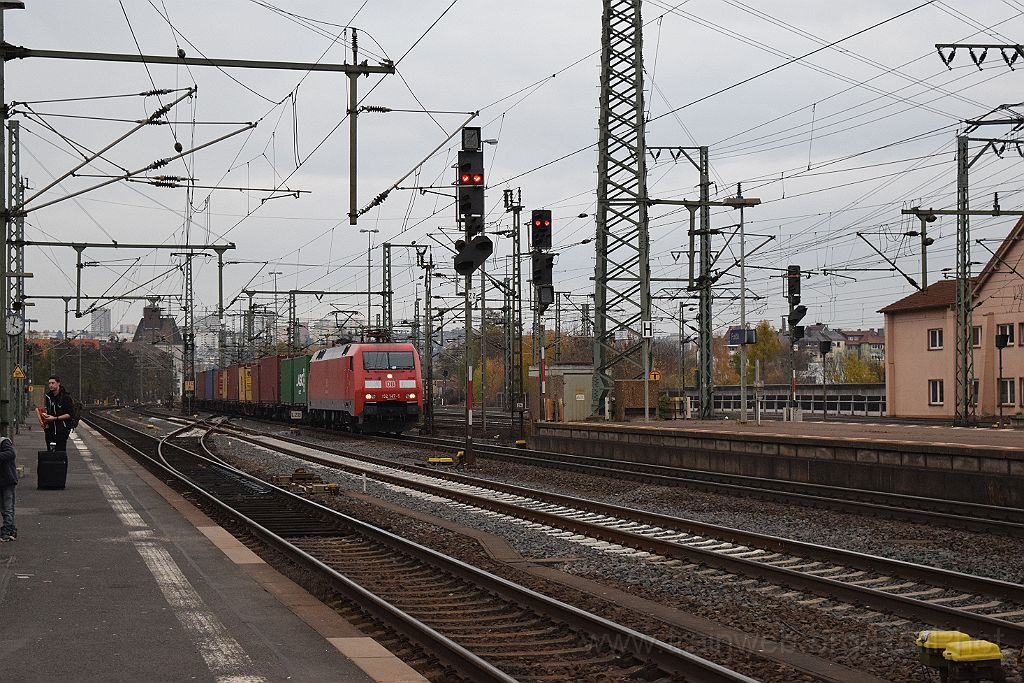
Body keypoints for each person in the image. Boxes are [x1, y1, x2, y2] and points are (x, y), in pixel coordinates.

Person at [43, 375, 74, 452]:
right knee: (50, 451)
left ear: (58, 383)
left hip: (62, 429)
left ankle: (62, 460)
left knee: (60, 451)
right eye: (49, 383)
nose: (51, 385)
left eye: (53, 383)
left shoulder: (65, 397)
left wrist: (55, 418)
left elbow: (70, 414)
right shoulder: (49, 397)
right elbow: (48, 410)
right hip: (50, 430)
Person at [0, 435, 17, 542]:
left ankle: (8, 529)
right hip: (3, 480)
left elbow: (11, 453)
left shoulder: (4, 442)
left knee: (8, 506)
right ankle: (10, 529)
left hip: (7, 480)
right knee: (3, 507)